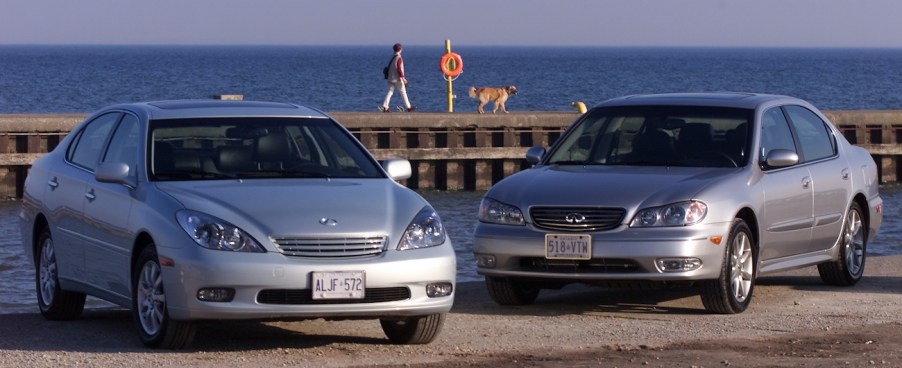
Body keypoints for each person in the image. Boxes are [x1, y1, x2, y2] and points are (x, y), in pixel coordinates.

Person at [380, 43, 416, 112]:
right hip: (397, 78)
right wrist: (403, 78)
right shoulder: (398, 58)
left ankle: (385, 106)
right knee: (403, 92)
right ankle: (408, 107)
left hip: (390, 77)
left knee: (390, 91)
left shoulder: (391, 56)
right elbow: (399, 69)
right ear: (400, 49)